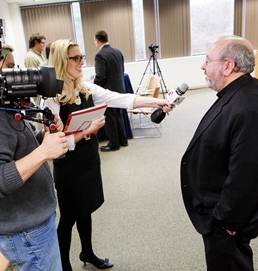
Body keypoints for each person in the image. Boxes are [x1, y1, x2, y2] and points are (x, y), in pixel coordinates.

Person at [47, 39, 173, 271]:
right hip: (69, 167)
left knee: (86, 209)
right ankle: (64, 266)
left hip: (89, 161)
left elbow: (123, 99)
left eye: (81, 56)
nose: (81, 62)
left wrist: (156, 101)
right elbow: (54, 143)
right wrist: (86, 131)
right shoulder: (51, 98)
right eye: (76, 58)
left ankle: (88, 252)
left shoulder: (85, 88)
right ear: (61, 62)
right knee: (68, 219)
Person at [0, 45, 68, 271]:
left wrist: (43, 137)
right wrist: (44, 152)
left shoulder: (4, 107)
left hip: (34, 223)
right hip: (26, 233)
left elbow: (19, 151)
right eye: (10, 67)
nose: (17, 73)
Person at [180, 36, 258, 271]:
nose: (203, 66)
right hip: (220, 215)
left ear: (227, 66)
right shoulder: (238, 93)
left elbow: (249, 174)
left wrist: (225, 221)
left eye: (207, 60)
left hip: (226, 222)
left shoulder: (248, 106)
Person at [94, 30, 128, 152]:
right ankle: (123, 140)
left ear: (97, 40)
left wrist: (94, 88)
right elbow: (122, 70)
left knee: (110, 119)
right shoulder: (118, 51)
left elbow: (100, 76)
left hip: (108, 92)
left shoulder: (100, 55)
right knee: (119, 115)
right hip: (120, 89)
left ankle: (114, 144)